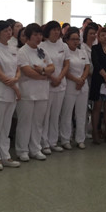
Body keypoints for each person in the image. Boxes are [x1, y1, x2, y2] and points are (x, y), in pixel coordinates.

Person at [15, 23, 54, 161]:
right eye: (35, 35)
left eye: (40, 34)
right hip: (27, 92)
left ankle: (35, 148)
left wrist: (42, 70)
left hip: (42, 91)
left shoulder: (42, 51)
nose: (38, 37)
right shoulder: (22, 52)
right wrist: (44, 74)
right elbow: (27, 71)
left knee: (38, 122)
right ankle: (22, 150)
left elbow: (52, 67)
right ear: (28, 36)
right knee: (25, 122)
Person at [0, 21, 21, 170]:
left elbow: (18, 69)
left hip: (11, 91)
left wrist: (16, 79)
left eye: (9, 30)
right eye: (5, 31)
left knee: (6, 126)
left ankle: (5, 155)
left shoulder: (13, 48)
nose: (9, 33)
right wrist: (15, 87)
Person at [41, 21, 70, 153]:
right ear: (48, 31)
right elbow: (41, 65)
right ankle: (44, 143)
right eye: (54, 30)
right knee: (45, 115)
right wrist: (53, 78)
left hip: (61, 83)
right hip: (47, 83)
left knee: (56, 114)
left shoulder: (63, 45)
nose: (56, 32)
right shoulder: (42, 46)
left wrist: (59, 78)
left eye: (58, 30)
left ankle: (53, 141)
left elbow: (66, 64)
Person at [60, 28, 90, 149]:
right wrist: (76, 80)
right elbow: (64, 69)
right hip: (70, 85)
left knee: (81, 114)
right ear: (67, 40)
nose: (75, 41)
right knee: (67, 113)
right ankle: (65, 139)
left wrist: (82, 79)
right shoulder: (64, 53)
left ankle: (80, 139)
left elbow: (87, 67)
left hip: (83, 85)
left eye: (77, 39)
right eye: (73, 39)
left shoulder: (82, 52)